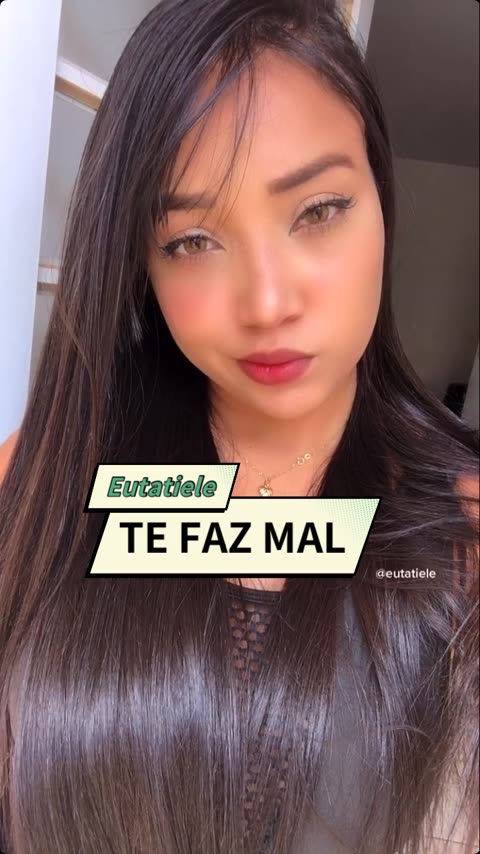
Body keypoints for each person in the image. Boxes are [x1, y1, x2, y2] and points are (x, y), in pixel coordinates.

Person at [0, 1, 478, 852]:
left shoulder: (460, 528)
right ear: (139, 264)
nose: (267, 303)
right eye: (191, 240)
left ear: (382, 201)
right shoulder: (36, 487)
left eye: (317, 210)